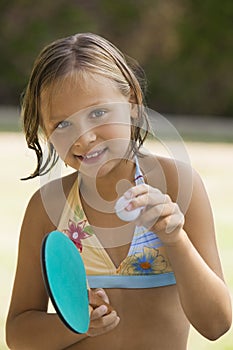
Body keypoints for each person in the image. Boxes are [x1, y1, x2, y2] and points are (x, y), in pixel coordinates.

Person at [6, 32, 231, 350]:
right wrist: (79, 326)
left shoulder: (180, 185)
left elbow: (216, 324)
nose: (84, 138)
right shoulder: (47, 207)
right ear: (45, 130)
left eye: (98, 113)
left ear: (133, 103)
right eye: (62, 125)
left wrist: (175, 239)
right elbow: (17, 333)